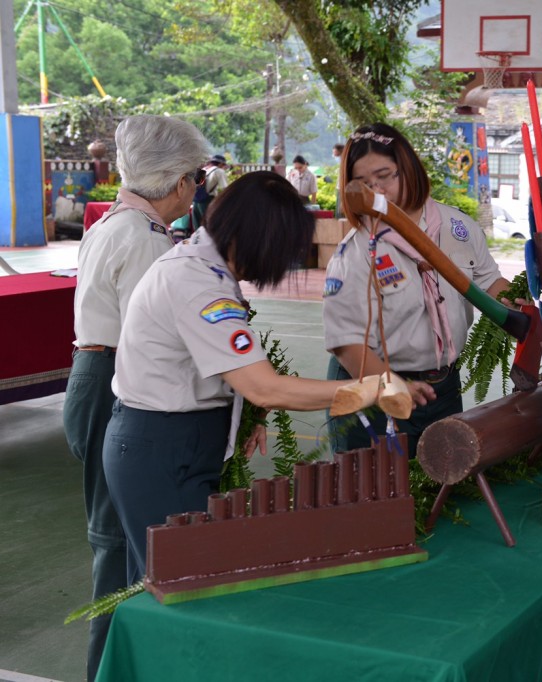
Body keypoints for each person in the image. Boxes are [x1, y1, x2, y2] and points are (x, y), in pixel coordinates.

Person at [102, 172, 415, 585]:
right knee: (180, 587)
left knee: (154, 584)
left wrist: (247, 412)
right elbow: (265, 387)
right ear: (256, 237)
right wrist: (373, 389)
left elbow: (232, 374)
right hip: (162, 447)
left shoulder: (204, 266)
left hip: (174, 438)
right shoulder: (199, 285)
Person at [62, 114, 210, 682]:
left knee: (115, 537)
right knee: (122, 545)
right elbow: (159, 339)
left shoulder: (111, 224)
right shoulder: (148, 243)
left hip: (93, 372)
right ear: (176, 182)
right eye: (194, 177)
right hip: (116, 378)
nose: (195, 189)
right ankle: (111, 668)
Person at [323, 123, 511, 456]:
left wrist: (518, 304)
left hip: (443, 389)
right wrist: (392, 387)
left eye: (385, 176)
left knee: (443, 489)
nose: (378, 189)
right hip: (375, 390)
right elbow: (347, 345)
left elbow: (489, 283)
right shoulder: (356, 252)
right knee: (377, 498)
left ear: (408, 167)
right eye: (364, 183)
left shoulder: (458, 228)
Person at [193, 154, 230, 226]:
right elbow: (225, 188)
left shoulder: (203, 169)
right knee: (209, 225)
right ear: (221, 163)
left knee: (197, 227)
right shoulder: (219, 171)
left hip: (195, 201)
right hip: (207, 201)